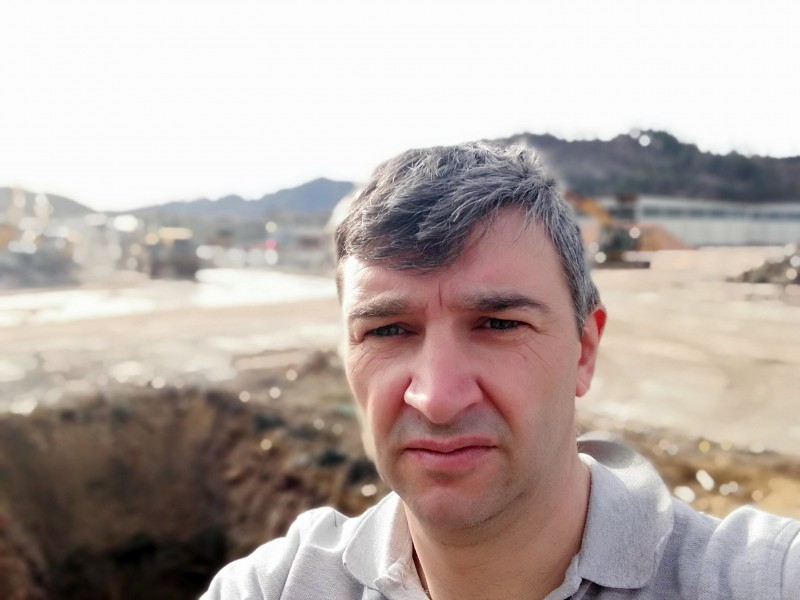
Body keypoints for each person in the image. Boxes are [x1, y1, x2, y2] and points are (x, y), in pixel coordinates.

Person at [202, 143, 799, 599]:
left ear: (584, 351)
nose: (438, 398)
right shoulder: (274, 588)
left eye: (497, 324)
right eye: (387, 331)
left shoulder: (762, 579)